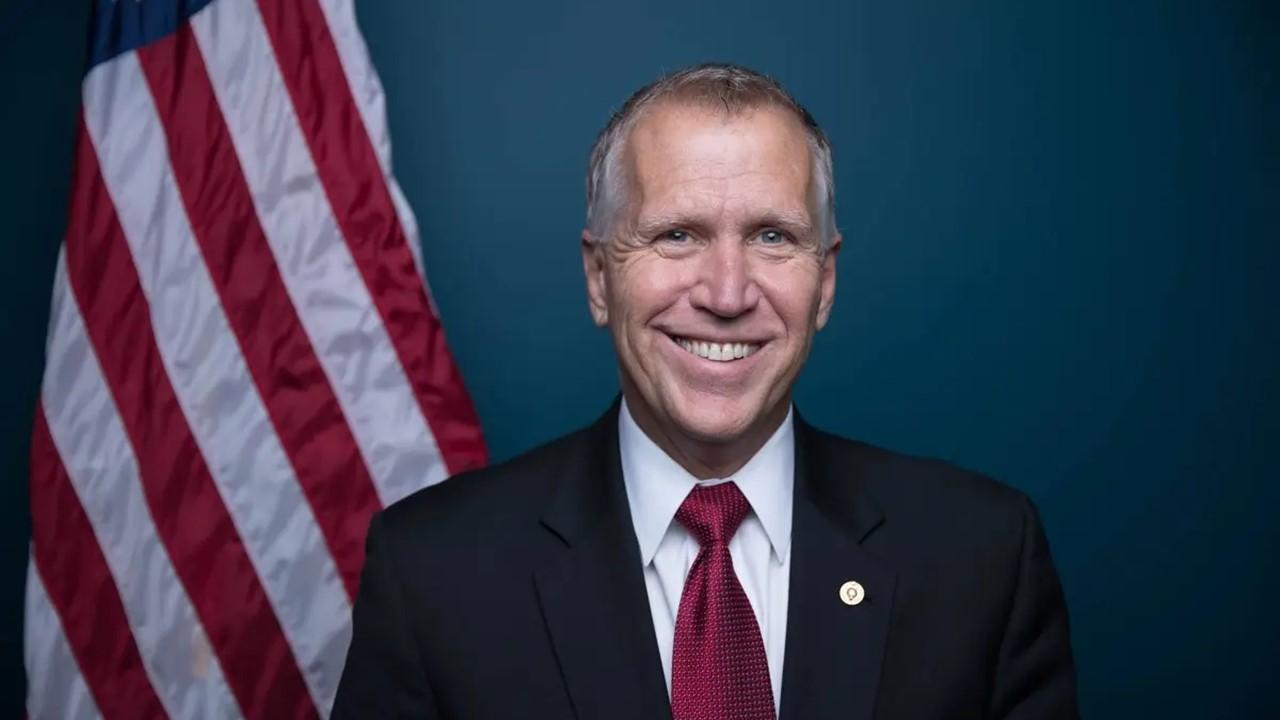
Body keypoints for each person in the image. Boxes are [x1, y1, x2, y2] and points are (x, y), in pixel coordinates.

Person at [332, 63, 1079, 720]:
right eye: (678, 235)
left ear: (826, 281)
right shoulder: (433, 572)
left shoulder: (980, 560)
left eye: (773, 237)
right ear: (599, 278)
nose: (726, 293)